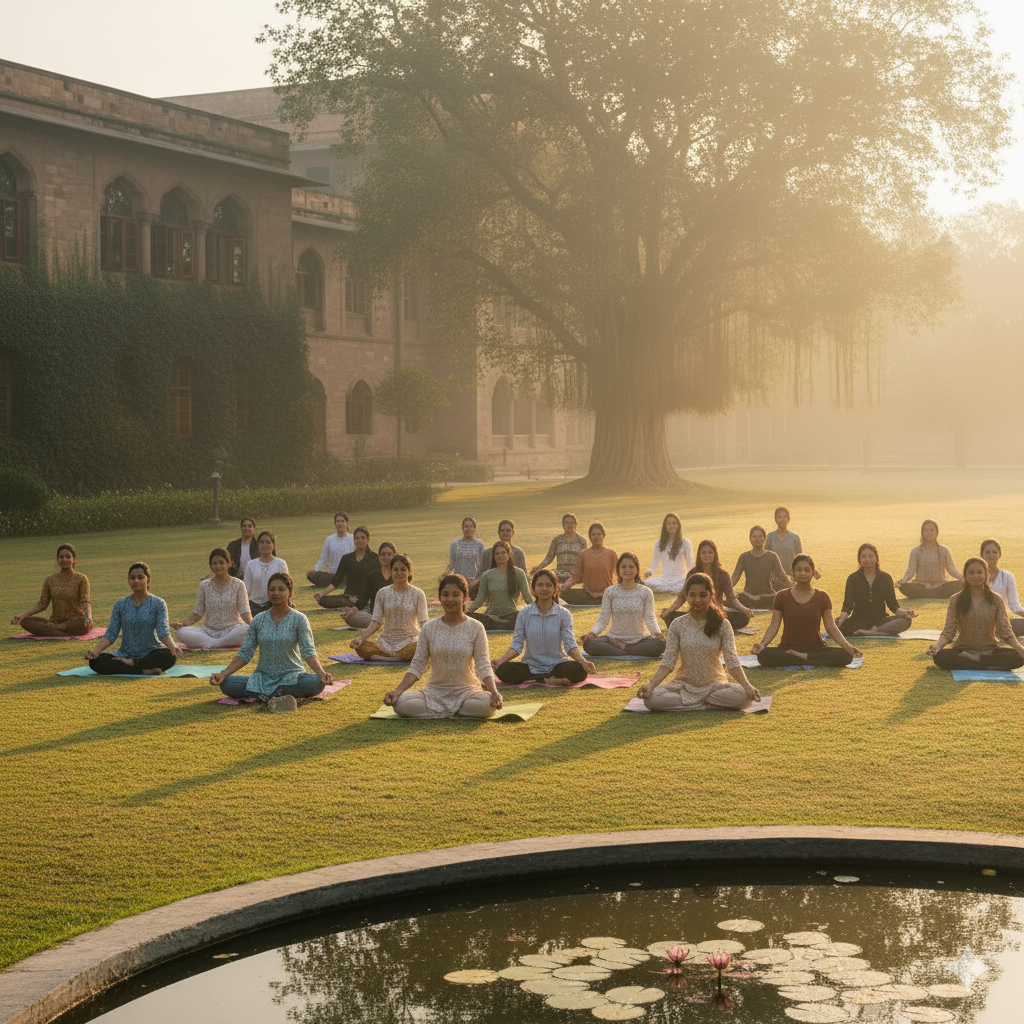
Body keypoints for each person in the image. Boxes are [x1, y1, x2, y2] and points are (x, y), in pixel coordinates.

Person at [384, 575, 504, 718]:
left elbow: (483, 665)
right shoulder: (429, 628)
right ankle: (455, 711)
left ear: (465, 598)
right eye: (445, 595)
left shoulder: (476, 627)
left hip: (468, 693)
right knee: (401, 703)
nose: (450, 599)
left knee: (486, 705)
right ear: (440, 598)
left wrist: (494, 692)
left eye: (455, 595)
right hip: (434, 692)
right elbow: (417, 665)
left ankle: (441, 711)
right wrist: (397, 692)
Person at [638, 572, 761, 711]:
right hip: (683, 685)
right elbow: (668, 662)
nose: (697, 600)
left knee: (743, 697)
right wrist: (650, 686)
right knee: (652, 700)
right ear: (687, 596)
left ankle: (692, 705)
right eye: (692, 595)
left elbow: (732, 661)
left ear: (710, 595)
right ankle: (707, 706)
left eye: (702, 595)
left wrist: (747, 686)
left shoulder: (723, 624)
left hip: (715, 686)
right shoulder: (677, 624)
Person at [210, 573, 333, 708]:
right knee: (227, 684)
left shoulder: (299, 619)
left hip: (292, 678)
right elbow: (245, 653)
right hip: (262, 678)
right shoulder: (258, 620)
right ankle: (278, 694)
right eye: (272, 589)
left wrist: (321, 673)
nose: (276, 593)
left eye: (281, 589)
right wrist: (223, 674)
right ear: (268, 592)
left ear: (289, 592)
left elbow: (308, 652)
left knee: (316, 682)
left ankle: (266, 694)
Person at [752, 555, 863, 667]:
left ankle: (800, 656)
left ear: (813, 573)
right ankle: (805, 658)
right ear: (793, 573)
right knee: (763, 655)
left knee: (845, 655)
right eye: (799, 570)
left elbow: (831, 627)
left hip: (816, 648)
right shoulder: (782, 596)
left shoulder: (822, 597)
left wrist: (848, 647)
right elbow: (774, 625)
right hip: (788, 648)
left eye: (807, 570)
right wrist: (762, 644)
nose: (803, 573)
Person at [492, 569, 597, 684]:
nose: (544, 589)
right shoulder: (524, 613)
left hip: (557, 665)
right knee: (503, 669)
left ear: (555, 588)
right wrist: (500, 660)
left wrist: (584, 662)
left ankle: (540, 679)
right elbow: (517, 645)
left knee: (579, 669)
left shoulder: (564, 614)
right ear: (533, 589)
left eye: (548, 585)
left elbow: (570, 645)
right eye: (540, 585)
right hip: (530, 666)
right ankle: (547, 680)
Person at [927, 557, 1024, 670]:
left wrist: (1020, 648)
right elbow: (948, 632)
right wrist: (937, 646)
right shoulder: (956, 599)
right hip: (963, 650)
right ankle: (986, 664)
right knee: (940, 656)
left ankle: (975, 660)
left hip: (990, 651)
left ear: (986, 574)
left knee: (1018, 657)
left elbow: (1005, 631)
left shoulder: (996, 599)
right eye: (971, 573)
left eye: (979, 572)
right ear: (965, 576)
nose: (976, 576)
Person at [84, 562, 181, 675]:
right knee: (96, 662)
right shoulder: (120, 604)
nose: (136, 581)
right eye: (132, 578)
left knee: (169, 656)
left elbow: (163, 632)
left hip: (151, 653)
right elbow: (111, 633)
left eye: (140, 578)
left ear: (148, 580)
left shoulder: (158, 603)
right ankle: (141, 669)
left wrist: (172, 646)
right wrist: (95, 652)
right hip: (125, 654)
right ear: (128, 580)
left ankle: (133, 664)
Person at [581, 552, 666, 658]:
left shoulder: (646, 592)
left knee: (660, 644)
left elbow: (650, 618)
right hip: (614, 640)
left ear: (636, 569)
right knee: (589, 644)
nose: (627, 570)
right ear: (618, 570)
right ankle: (629, 651)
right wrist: (592, 633)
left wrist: (658, 634)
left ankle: (624, 649)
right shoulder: (610, 592)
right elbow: (603, 618)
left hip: (640, 640)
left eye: (631, 567)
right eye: (623, 567)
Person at [350, 553, 428, 661]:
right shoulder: (382, 593)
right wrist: (361, 638)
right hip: (386, 642)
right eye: (395, 570)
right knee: (362, 647)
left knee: (418, 648)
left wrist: (431, 640)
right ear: (391, 571)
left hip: (410, 641)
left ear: (409, 571)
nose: (399, 573)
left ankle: (389, 658)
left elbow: (423, 621)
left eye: (403, 569)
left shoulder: (418, 593)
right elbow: (376, 622)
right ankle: (398, 657)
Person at [171, 548, 252, 649]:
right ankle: (216, 643)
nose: (218, 566)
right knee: (181, 632)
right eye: (214, 563)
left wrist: (255, 626)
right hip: (208, 632)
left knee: (247, 629)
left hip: (233, 630)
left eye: (221, 563)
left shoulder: (239, 584)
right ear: (211, 566)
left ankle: (213, 644)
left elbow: (245, 612)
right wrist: (182, 623)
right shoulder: (204, 585)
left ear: (229, 564)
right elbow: (198, 612)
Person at [662, 540, 752, 630]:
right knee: (670, 615)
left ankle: (703, 624)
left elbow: (732, 598)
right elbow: (682, 597)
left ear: (715, 554)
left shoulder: (723, 574)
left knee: (743, 617)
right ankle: (704, 624)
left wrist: (745, 610)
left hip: (716, 613)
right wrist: (668, 611)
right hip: (697, 612)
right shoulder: (692, 573)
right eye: (703, 553)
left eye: (710, 552)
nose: (707, 555)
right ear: (699, 555)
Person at [11, 543, 93, 637]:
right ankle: (60, 630)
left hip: (75, 622)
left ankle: (55, 631)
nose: (64, 559)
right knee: (25, 621)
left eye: (68, 557)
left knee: (83, 623)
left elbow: (85, 601)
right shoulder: (50, 580)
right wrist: (22, 615)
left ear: (74, 560)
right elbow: (42, 604)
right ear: (57, 559)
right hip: (55, 622)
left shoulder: (81, 578)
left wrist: (88, 617)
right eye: (61, 557)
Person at [835, 543, 917, 636]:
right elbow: (847, 605)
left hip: (880, 621)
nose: (867, 559)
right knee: (837, 626)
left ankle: (872, 632)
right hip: (858, 621)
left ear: (876, 558)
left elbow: (893, 605)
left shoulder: (886, 578)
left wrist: (904, 612)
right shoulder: (853, 579)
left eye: (870, 556)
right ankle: (882, 633)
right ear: (859, 559)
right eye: (864, 557)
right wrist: (841, 618)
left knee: (906, 621)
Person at [467, 540, 533, 630]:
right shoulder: (487, 575)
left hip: (512, 616)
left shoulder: (519, 573)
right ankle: (500, 623)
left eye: (503, 553)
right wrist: (466, 613)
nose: (500, 556)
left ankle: (501, 623)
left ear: (509, 554)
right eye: (497, 554)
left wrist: (540, 610)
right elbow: (480, 599)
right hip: (491, 617)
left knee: (523, 617)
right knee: (474, 618)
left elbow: (527, 597)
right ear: (493, 556)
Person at [314, 527, 381, 608]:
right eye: (357, 538)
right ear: (354, 540)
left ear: (368, 539)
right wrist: (322, 593)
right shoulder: (347, 558)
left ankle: (363, 603)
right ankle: (353, 603)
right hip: (348, 597)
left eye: (363, 538)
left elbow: (378, 581)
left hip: (367, 596)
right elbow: (336, 581)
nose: (360, 540)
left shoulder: (375, 558)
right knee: (323, 600)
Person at [896, 519, 962, 598]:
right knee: (905, 587)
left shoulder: (944, 550)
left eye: (932, 530)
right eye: (926, 530)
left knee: (960, 584)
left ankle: (930, 593)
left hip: (940, 585)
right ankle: (934, 594)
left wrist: (964, 578)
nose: (929, 533)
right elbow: (910, 571)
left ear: (936, 532)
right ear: (922, 533)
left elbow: (952, 569)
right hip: (921, 586)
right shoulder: (915, 551)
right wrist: (901, 582)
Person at [731, 526, 791, 609]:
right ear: (750, 539)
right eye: (754, 536)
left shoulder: (772, 556)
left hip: (768, 597)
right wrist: (724, 590)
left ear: (765, 538)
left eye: (760, 536)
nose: (758, 539)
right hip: (748, 597)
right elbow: (735, 577)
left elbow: (782, 576)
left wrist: (795, 588)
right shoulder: (744, 557)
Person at [341, 541, 395, 630]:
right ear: (379, 556)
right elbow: (363, 600)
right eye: (383, 554)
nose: (386, 557)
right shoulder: (371, 575)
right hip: (375, 615)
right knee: (352, 617)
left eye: (389, 554)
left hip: (395, 614)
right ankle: (379, 623)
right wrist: (353, 610)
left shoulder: (398, 575)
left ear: (394, 555)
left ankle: (384, 624)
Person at [559, 522, 617, 605]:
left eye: (599, 534)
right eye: (593, 534)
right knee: (563, 594)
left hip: (607, 595)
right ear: (589, 537)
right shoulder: (583, 554)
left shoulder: (612, 554)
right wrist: (562, 588)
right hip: (587, 595)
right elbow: (575, 577)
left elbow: (620, 575)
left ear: (603, 535)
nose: (596, 537)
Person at [980, 538, 1024, 636]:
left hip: (1004, 620)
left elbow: (1014, 604)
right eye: (987, 552)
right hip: (982, 621)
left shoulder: (1008, 576)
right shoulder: (977, 577)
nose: (991, 555)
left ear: (999, 554)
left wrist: (1022, 613)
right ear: (981, 555)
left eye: (994, 552)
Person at [644, 512, 695, 592]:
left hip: (681, 578)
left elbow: (690, 563)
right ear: (665, 526)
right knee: (647, 583)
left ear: (678, 525)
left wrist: (695, 576)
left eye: (674, 523)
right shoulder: (659, 543)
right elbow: (655, 562)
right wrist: (649, 571)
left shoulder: (686, 543)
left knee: (689, 583)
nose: (672, 526)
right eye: (668, 523)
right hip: (664, 579)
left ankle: (673, 589)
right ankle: (673, 589)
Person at [765, 506, 820, 580]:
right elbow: (764, 556)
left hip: (791, 577)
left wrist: (812, 570)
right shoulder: (770, 536)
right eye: (779, 517)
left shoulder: (795, 537)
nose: (782, 519)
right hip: (774, 577)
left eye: (785, 517)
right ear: (775, 520)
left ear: (789, 519)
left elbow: (801, 557)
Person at [532, 513, 588, 584]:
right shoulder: (557, 540)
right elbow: (549, 558)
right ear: (563, 525)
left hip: (575, 574)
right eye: (567, 523)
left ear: (575, 525)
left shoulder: (581, 541)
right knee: (546, 575)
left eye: (571, 523)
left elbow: (585, 560)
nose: (569, 525)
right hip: (560, 573)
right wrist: (538, 568)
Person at [243, 531, 289, 616]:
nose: (265, 545)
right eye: (262, 542)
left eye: (268, 542)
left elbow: (286, 588)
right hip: (254, 606)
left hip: (275, 604)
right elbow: (246, 589)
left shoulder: (281, 563)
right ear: (258, 545)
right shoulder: (251, 564)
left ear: (273, 545)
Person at [306, 512, 355, 586]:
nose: (340, 523)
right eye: (338, 521)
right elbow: (323, 559)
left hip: (347, 574)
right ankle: (339, 583)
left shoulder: (353, 539)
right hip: (332, 574)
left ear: (347, 523)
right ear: (335, 524)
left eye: (342, 521)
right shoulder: (329, 539)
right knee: (312, 576)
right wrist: (315, 570)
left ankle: (339, 582)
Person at [445, 517, 486, 597]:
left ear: (475, 528)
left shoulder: (480, 544)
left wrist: (477, 580)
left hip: (474, 581)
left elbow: (482, 565)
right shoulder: (455, 544)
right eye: (466, 526)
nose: (469, 529)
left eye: (471, 526)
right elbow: (452, 564)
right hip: (458, 581)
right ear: (462, 528)